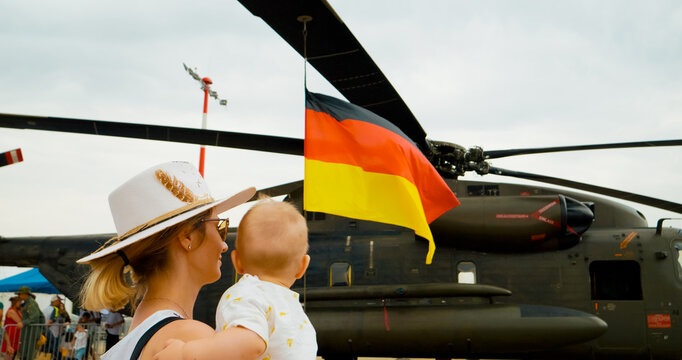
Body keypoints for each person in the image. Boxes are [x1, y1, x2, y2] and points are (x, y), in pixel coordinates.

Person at [77, 161, 256, 360]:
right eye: (219, 226)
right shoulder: (190, 340)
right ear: (189, 237)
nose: (224, 245)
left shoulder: (137, 336)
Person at [154, 199, 316, 360]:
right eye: (218, 229)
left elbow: (251, 343)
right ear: (303, 266)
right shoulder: (295, 311)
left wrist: (185, 353)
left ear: (237, 262)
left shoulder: (247, 294)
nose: (223, 244)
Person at [16, 286, 45, 360]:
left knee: (29, 349)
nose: (19, 296)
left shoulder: (31, 303)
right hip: (28, 330)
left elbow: (35, 316)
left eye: (20, 294)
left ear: (25, 294)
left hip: (31, 330)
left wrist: (23, 323)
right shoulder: (27, 302)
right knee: (25, 348)